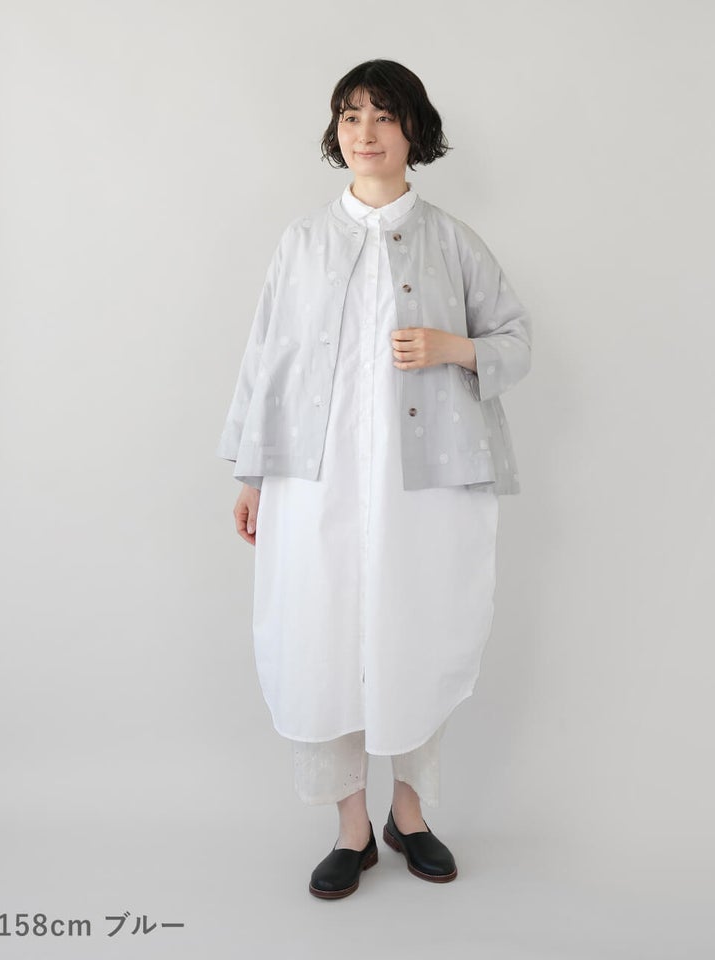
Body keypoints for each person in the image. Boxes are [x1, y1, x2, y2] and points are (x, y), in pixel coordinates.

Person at [216, 59, 532, 900]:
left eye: (384, 116)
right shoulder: (301, 242)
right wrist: (251, 473)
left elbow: (515, 339)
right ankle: (350, 828)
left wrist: (453, 347)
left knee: (414, 633)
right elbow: (265, 360)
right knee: (320, 638)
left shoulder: (452, 241)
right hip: (313, 482)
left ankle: (410, 815)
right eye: (351, 115)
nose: (365, 132)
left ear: (413, 131)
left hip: (421, 485)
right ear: (337, 132)